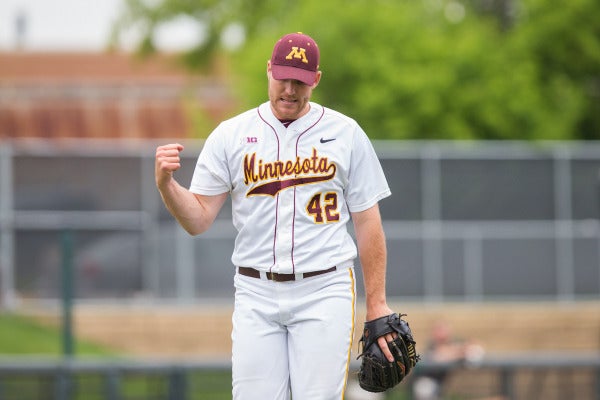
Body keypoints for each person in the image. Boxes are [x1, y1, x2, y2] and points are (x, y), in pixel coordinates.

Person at [155, 32, 397, 400]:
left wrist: (377, 302)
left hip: (324, 287)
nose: (289, 88)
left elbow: (368, 222)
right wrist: (167, 185)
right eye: (282, 77)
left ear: (315, 79)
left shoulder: (346, 133)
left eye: (299, 80)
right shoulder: (232, 135)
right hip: (255, 290)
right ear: (268, 70)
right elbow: (198, 219)